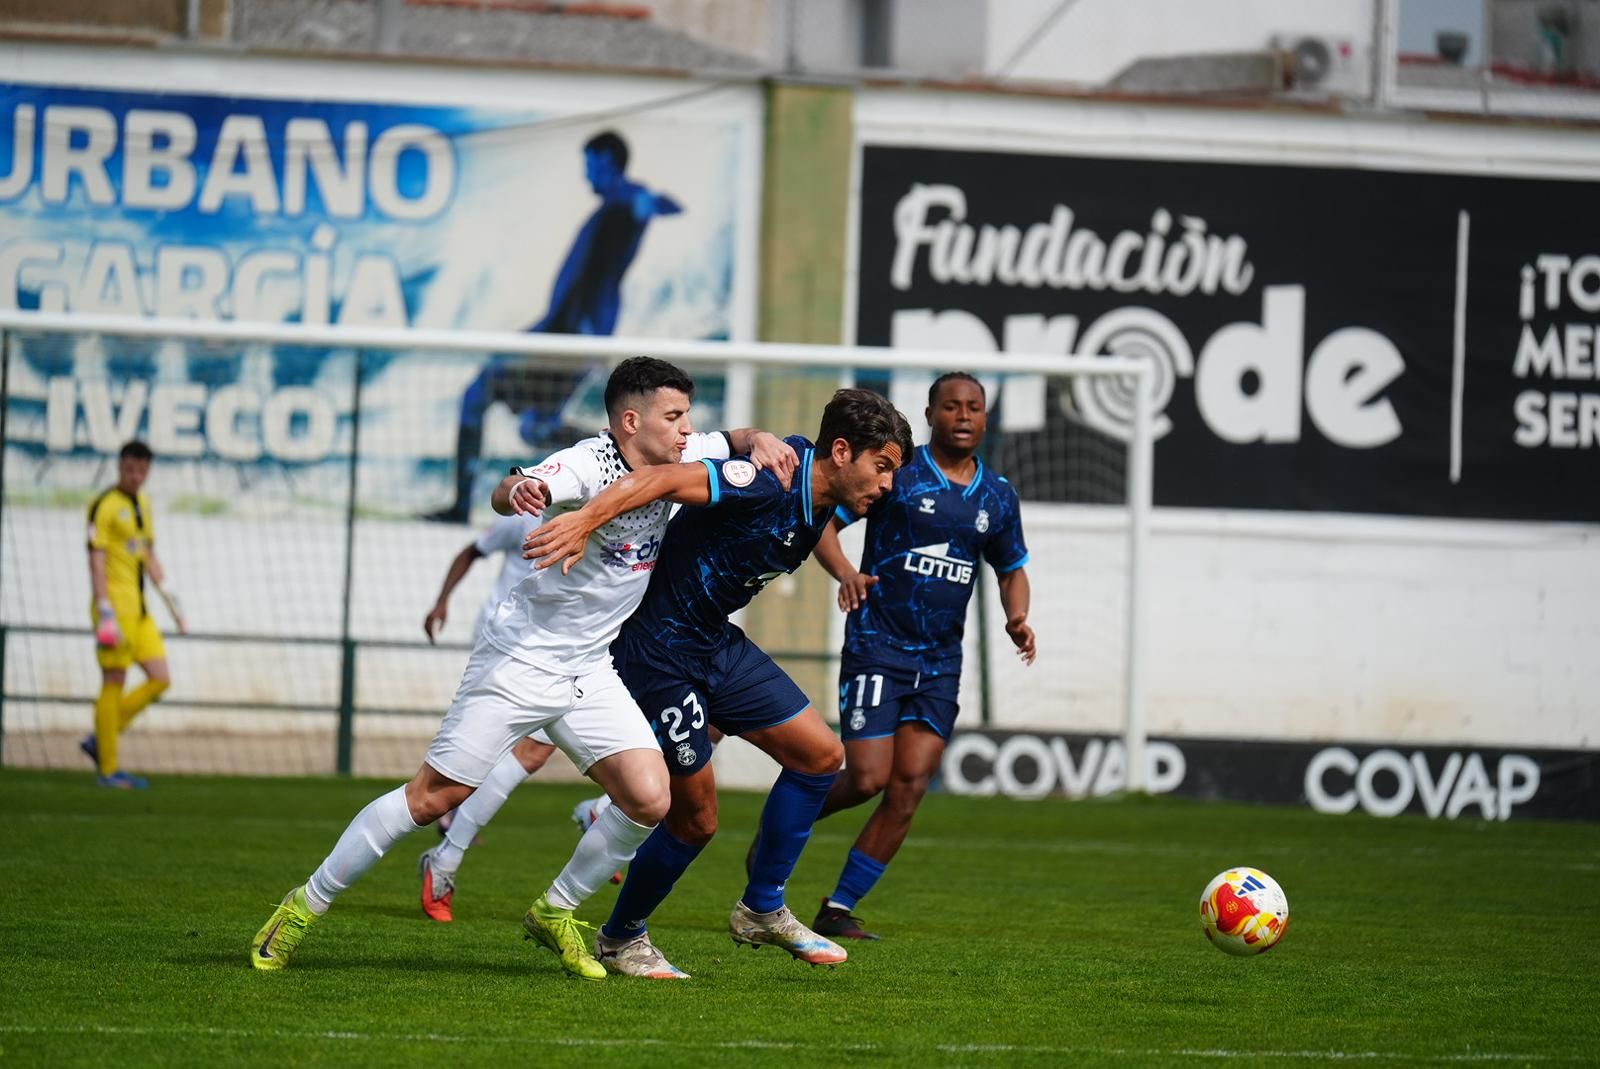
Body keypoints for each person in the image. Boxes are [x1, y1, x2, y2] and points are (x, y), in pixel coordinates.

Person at [250, 357, 795, 980]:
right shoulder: (590, 463)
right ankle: (304, 904)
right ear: (629, 421)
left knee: (650, 798)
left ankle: (555, 910)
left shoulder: (683, 449)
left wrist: (764, 440)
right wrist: (522, 492)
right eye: (674, 416)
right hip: (520, 660)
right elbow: (508, 485)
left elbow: (740, 439)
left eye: (688, 416)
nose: (686, 429)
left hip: (589, 668)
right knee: (434, 797)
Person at [525, 388, 914, 980]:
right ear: (841, 451)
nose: (887, 484)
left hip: (713, 641)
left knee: (821, 757)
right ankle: (621, 937)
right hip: (657, 650)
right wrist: (584, 519)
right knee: (695, 820)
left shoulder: (819, 494)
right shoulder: (764, 479)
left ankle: (762, 907)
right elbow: (661, 480)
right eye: (881, 468)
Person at [807, 372, 1035, 941]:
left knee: (908, 787)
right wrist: (847, 573)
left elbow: (1011, 568)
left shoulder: (997, 496)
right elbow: (822, 526)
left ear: (986, 418)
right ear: (930, 414)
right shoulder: (896, 475)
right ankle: (788, 819)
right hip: (877, 646)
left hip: (939, 661)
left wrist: (1017, 617)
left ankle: (838, 907)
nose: (963, 415)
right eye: (951, 406)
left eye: (974, 407)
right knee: (865, 779)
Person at [430, 130, 684, 523]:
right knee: (535, 428)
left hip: (571, 341)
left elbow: (651, 204)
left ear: (609, 164)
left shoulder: (623, 204)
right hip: (558, 333)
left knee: (480, 394)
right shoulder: (610, 209)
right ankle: (623, 454)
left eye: (592, 168)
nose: (587, 178)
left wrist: (645, 202)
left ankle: (462, 506)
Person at [416, 513, 559, 922]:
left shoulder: (615, 506)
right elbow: (470, 551)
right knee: (493, 739)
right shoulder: (526, 516)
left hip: (564, 649)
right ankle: (444, 810)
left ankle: (447, 848)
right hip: (506, 635)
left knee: (532, 752)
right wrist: (441, 600)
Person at [81, 440, 185, 789]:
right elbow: (96, 560)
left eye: (142, 470)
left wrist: (172, 601)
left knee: (161, 676)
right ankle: (108, 769)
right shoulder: (104, 505)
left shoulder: (143, 504)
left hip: (141, 611)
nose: (136, 476)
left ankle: (101, 736)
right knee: (114, 680)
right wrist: (105, 610)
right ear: (120, 467)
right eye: (130, 469)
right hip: (114, 607)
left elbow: (148, 556)